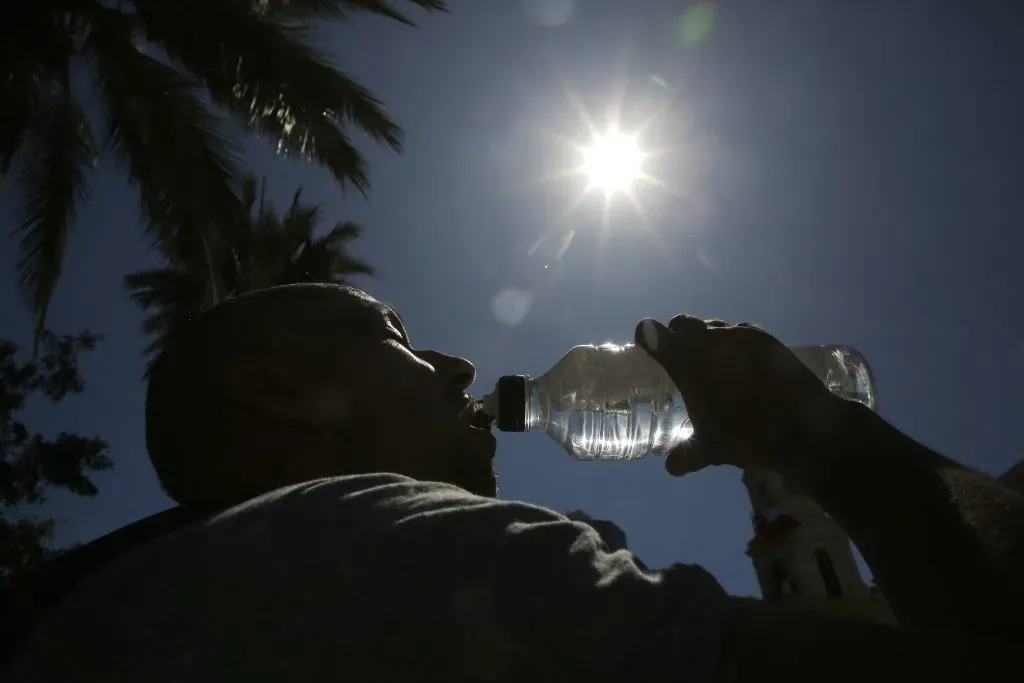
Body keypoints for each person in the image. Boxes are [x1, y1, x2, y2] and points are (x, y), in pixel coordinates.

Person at [3, 284, 1021, 682]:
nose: (453, 365)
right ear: (280, 388)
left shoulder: (154, 596)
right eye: (394, 336)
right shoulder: (375, 546)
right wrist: (831, 439)